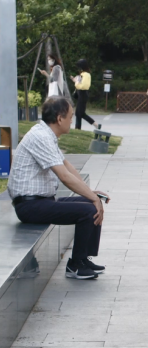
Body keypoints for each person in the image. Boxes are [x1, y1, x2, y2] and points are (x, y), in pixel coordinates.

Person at [7, 97, 108, 280]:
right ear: (60, 118)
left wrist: (91, 194)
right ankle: (75, 266)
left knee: (92, 203)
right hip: (29, 206)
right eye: (70, 116)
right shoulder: (40, 137)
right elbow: (64, 176)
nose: (72, 120)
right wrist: (91, 197)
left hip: (42, 201)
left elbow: (67, 166)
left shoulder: (47, 135)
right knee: (88, 210)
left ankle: (83, 259)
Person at [70, 59, 100, 131]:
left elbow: (83, 86)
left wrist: (76, 82)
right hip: (80, 94)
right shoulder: (82, 74)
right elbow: (79, 84)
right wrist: (75, 80)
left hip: (83, 94)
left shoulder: (86, 75)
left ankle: (95, 124)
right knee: (78, 113)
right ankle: (78, 128)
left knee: (80, 113)